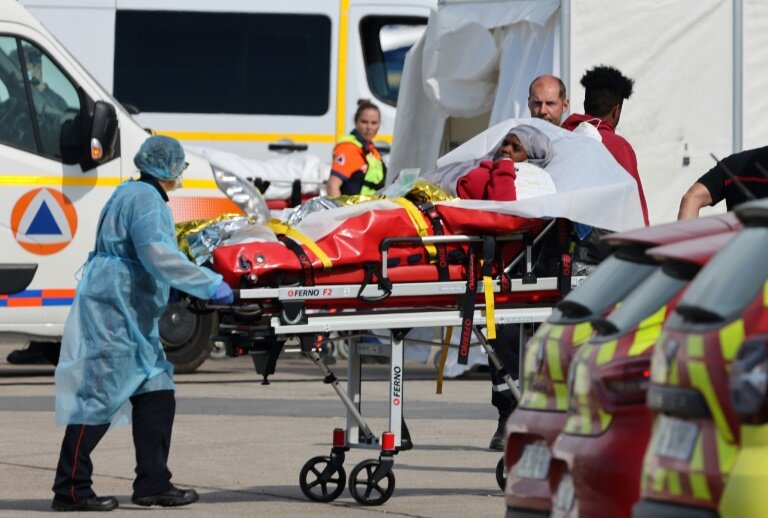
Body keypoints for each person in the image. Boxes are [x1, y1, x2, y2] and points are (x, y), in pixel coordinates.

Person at [51, 135, 234, 512]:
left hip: (131, 313)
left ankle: (153, 482)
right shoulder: (146, 200)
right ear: (166, 167)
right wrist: (207, 283)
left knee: (157, 392)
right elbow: (158, 254)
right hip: (114, 316)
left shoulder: (133, 193)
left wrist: (166, 288)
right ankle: (70, 488)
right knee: (97, 398)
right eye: (179, 167)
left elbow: (146, 255)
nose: (181, 174)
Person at [561, 65, 649, 226]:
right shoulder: (618, 147)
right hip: (598, 246)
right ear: (617, 111)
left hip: (552, 244)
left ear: (585, 104)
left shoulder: (560, 137)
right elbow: (634, 208)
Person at [456, 124, 556, 201]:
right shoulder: (492, 163)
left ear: (533, 157)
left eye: (516, 148)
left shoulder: (533, 181)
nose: (506, 149)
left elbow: (503, 205)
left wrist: (504, 166)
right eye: (505, 143)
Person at [678, 145, 768, 219]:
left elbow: (692, 197)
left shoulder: (734, 164)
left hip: (740, 239)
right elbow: (692, 198)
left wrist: (685, 238)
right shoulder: (734, 166)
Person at [326, 99, 387, 197]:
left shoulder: (371, 149)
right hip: (354, 209)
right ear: (356, 121)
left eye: (374, 123)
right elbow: (332, 186)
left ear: (379, 124)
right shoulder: (349, 147)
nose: (369, 127)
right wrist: (341, 211)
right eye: (364, 122)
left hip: (369, 207)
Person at [22, 46, 67, 111]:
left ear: (38, 68)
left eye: (26, 69)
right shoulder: (21, 94)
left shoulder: (58, 104)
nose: (22, 74)